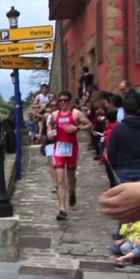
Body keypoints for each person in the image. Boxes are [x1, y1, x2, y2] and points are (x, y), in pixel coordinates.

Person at [47, 90, 93, 220]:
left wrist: (77, 128)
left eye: (65, 100)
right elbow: (49, 125)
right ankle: (62, 208)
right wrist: (50, 132)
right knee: (60, 179)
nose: (62, 103)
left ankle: (72, 191)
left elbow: (90, 124)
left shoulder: (76, 113)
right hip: (59, 148)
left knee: (71, 175)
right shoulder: (54, 114)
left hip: (72, 147)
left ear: (70, 101)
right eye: (60, 100)